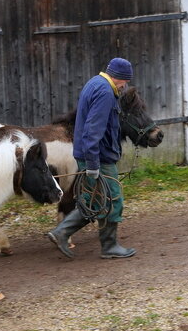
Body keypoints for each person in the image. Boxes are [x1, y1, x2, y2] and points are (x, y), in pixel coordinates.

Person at [47, 57, 137, 259]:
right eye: (125, 81)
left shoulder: (95, 83)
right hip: (99, 158)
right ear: (119, 78)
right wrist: (94, 165)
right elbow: (92, 131)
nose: (125, 86)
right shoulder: (105, 93)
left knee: (93, 201)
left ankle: (61, 232)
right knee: (112, 200)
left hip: (90, 155)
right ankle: (109, 246)